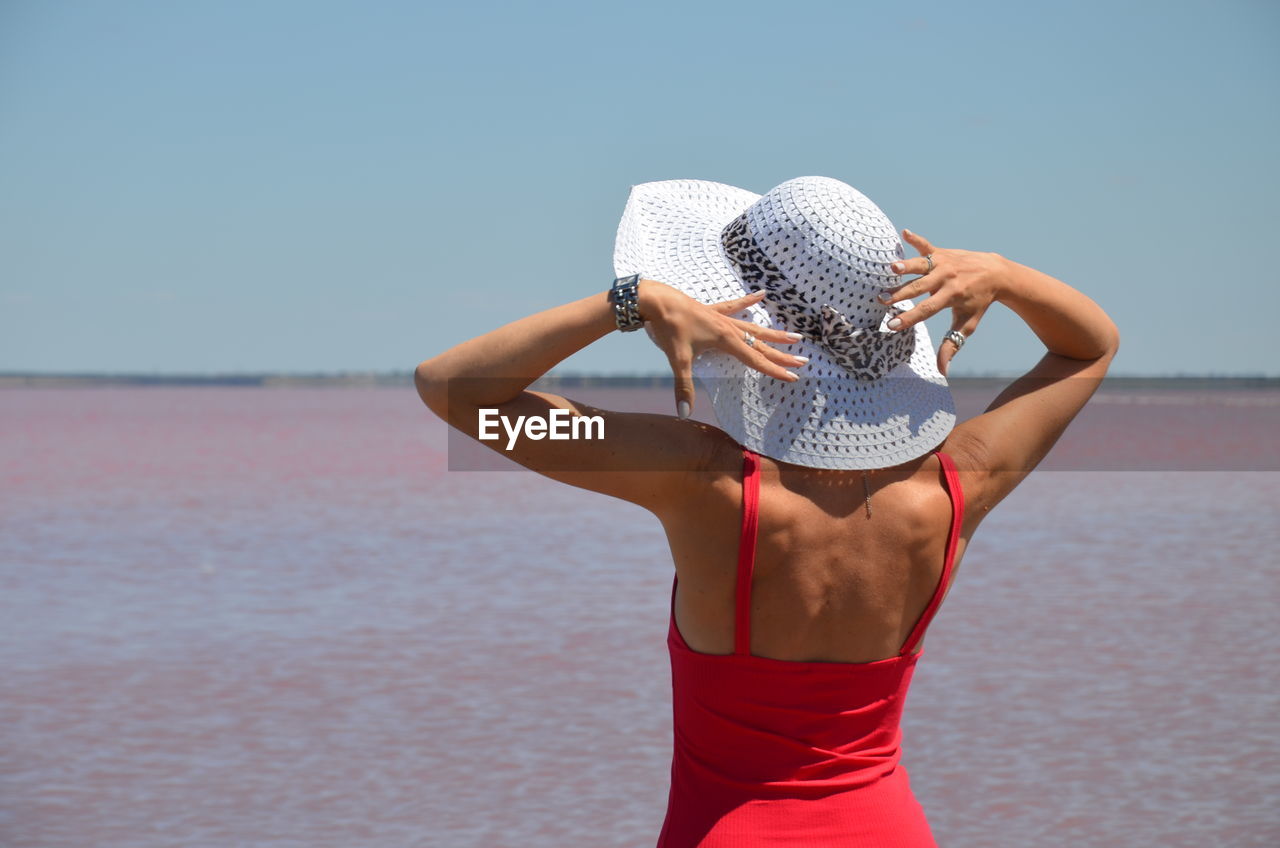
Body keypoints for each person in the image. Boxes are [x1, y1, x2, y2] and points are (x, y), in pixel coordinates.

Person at [415, 176, 1120, 846]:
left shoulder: (702, 481)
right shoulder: (957, 487)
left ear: (741, 311)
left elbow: (455, 393)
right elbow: (1088, 349)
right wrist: (1000, 274)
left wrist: (626, 305)